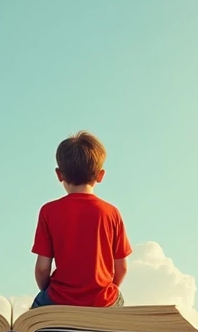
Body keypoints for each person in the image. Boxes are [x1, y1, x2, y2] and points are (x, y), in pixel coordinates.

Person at [31, 131, 131, 308]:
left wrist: (47, 291)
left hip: (60, 298)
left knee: (31, 321)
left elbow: (42, 268)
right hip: (103, 300)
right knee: (118, 298)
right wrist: (105, 293)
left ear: (59, 174)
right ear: (100, 175)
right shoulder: (111, 213)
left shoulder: (48, 211)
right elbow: (122, 267)